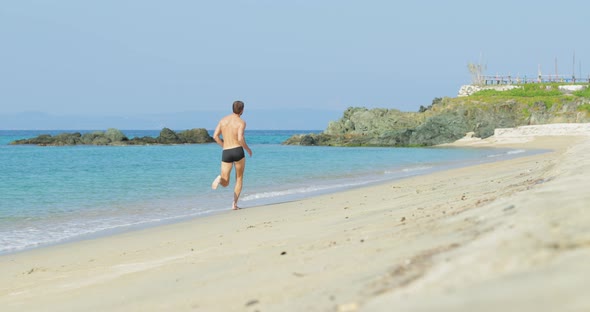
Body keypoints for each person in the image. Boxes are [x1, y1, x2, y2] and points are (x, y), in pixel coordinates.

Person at [211, 100, 253, 210]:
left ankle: (220, 179)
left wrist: (224, 145)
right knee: (239, 178)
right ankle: (234, 204)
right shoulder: (241, 122)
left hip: (226, 152)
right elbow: (240, 138)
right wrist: (247, 149)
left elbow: (215, 136)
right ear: (242, 110)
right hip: (238, 151)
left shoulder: (223, 121)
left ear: (232, 108)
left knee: (225, 181)